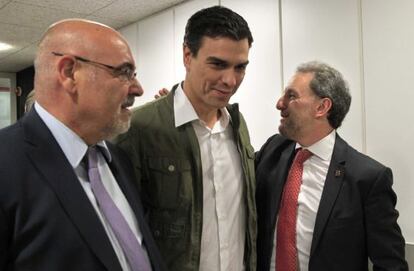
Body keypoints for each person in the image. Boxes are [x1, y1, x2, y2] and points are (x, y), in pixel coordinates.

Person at [0, 19, 167, 271]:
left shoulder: (117, 158)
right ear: (69, 73)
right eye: (124, 72)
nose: (138, 88)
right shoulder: (6, 164)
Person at [115, 6, 257, 271]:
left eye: (240, 67)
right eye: (218, 64)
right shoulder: (138, 128)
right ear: (187, 56)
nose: (230, 80)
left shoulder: (238, 127)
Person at [255, 61, 408, 270]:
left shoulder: (367, 178)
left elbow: (390, 263)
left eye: (292, 96)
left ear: (322, 107)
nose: (280, 103)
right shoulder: (272, 151)